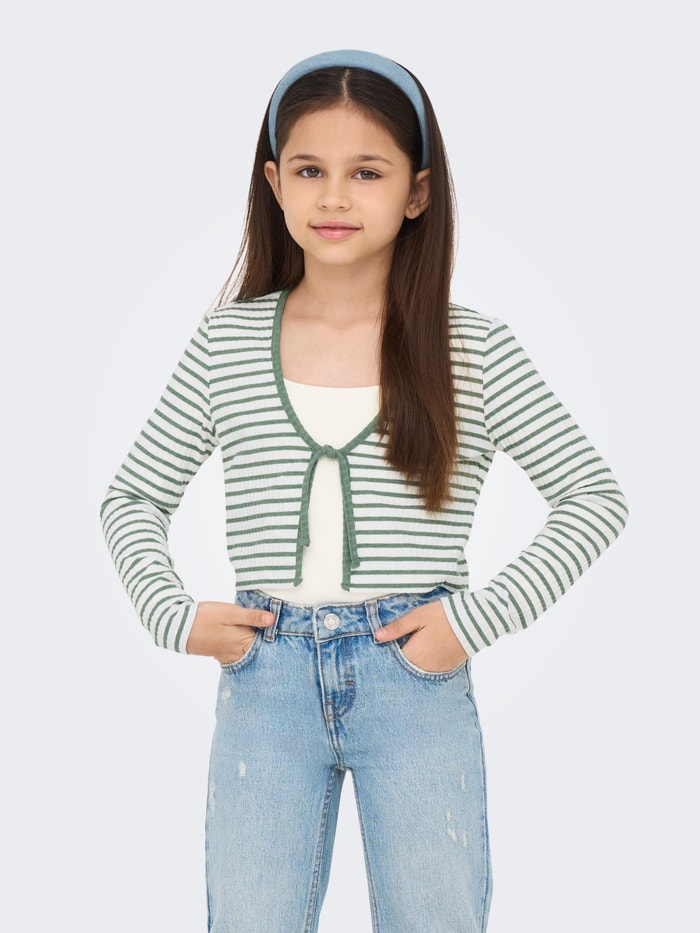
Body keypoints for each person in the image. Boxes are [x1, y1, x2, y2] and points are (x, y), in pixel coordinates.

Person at [99, 49, 630, 933]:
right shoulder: (227, 345)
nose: (335, 197)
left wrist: (470, 622)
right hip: (265, 676)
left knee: (435, 917)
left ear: (417, 192)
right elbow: (133, 498)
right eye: (310, 170)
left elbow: (593, 497)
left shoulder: (472, 348)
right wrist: (171, 613)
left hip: (414, 676)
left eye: (367, 172)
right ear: (275, 183)